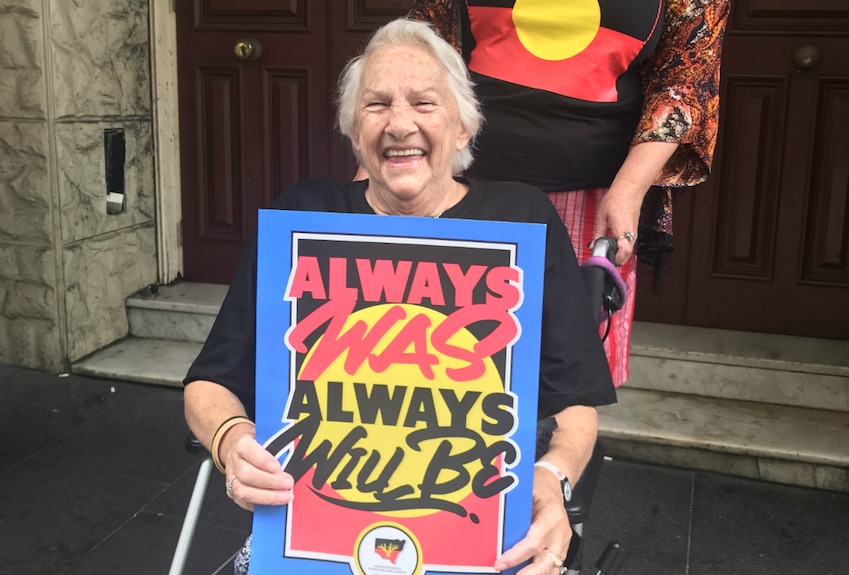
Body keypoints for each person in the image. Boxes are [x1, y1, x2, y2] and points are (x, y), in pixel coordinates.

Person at [184, 18, 616, 575]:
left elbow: (575, 405)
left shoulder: (522, 219)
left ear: (462, 127)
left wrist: (550, 477)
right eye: (377, 105)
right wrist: (231, 443)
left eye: (424, 103)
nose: (399, 123)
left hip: (478, 537)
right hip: (312, 541)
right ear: (354, 131)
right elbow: (208, 382)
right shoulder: (308, 219)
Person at [402, 0, 731, 386]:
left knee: (567, 371)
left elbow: (684, 83)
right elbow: (419, 46)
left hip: (591, 199)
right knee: (443, 353)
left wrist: (629, 191)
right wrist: (373, 176)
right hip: (455, 185)